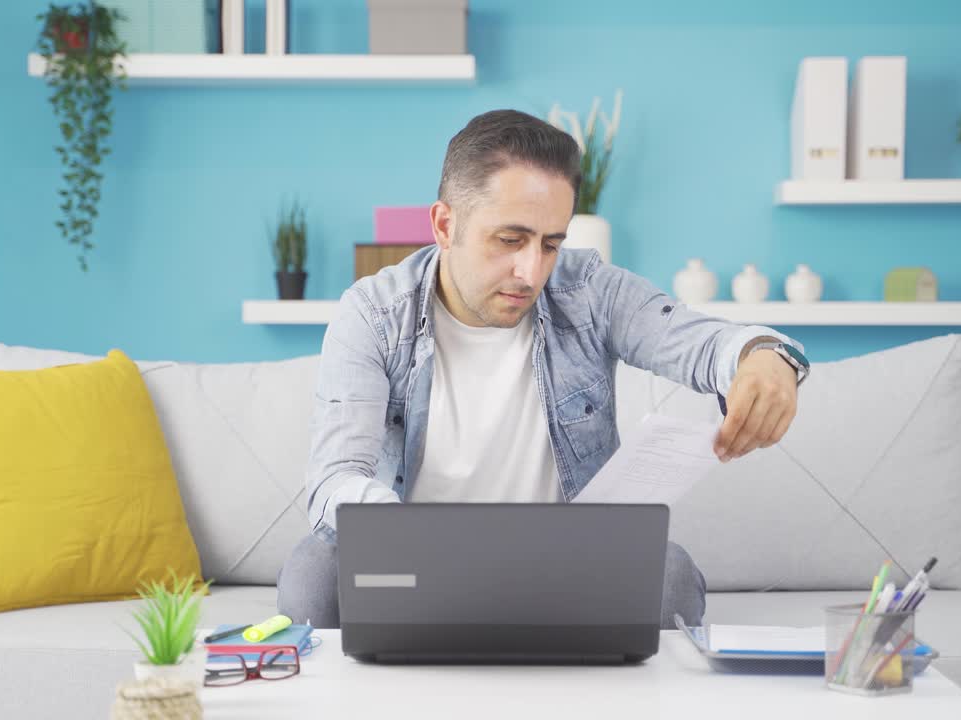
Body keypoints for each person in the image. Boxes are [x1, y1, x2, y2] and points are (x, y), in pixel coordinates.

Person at [277, 109, 808, 629]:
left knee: (670, 576)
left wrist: (762, 355)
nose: (531, 272)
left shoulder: (588, 291)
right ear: (445, 224)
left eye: (550, 243)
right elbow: (335, 479)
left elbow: (699, 340)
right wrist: (427, 544)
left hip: (567, 567)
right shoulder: (372, 312)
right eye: (509, 240)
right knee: (313, 577)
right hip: (417, 566)